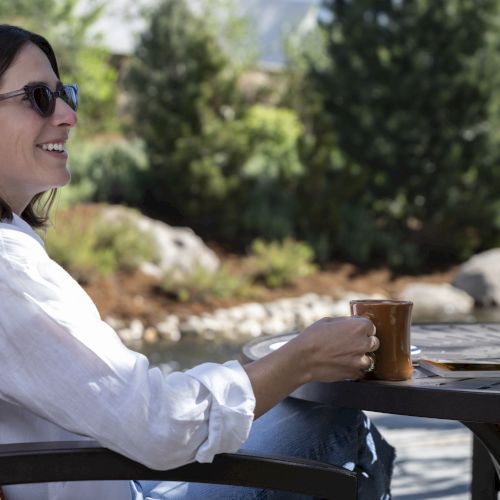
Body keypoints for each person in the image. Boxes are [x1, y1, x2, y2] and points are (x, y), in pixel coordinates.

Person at [0, 24, 394, 500]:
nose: (67, 116)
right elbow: (162, 426)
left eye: (66, 95)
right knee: (336, 422)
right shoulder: (9, 270)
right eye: (39, 97)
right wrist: (302, 359)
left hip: (121, 475)